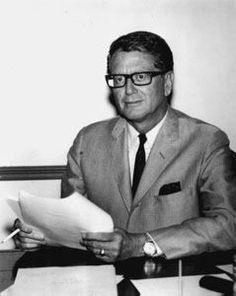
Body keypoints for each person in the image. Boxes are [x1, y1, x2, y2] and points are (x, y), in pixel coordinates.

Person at [14, 31, 236, 263]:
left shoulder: (206, 141)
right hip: (104, 279)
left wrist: (141, 244)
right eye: (118, 78)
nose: (128, 89)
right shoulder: (87, 142)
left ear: (167, 82)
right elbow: (72, 225)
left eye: (140, 77)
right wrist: (41, 236)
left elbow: (228, 225)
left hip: (175, 278)